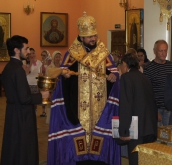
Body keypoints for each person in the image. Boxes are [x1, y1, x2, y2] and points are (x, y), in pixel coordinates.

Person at [47, 12, 120, 165]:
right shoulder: (72, 54)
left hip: (100, 108)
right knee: (79, 145)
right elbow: (62, 74)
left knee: (98, 142)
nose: (93, 39)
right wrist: (65, 75)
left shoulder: (103, 53)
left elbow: (113, 72)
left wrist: (114, 76)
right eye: (89, 37)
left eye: (94, 35)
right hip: (77, 107)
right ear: (81, 38)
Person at [0, 35, 49, 165]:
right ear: (17, 50)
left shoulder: (8, 67)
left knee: (13, 146)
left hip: (12, 112)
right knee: (24, 147)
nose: (28, 52)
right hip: (22, 115)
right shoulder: (18, 70)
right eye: (26, 49)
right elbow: (24, 98)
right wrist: (42, 96)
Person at [119, 53, 157, 165]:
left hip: (135, 128)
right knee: (145, 161)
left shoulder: (126, 78)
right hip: (149, 127)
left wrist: (124, 131)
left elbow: (126, 105)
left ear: (125, 64)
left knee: (135, 160)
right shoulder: (144, 77)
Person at [143, 40, 172, 126]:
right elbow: (147, 92)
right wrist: (154, 111)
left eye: (165, 50)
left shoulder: (171, 66)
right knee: (158, 136)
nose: (164, 53)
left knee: (169, 136)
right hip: (157, 109)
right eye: (161, 51)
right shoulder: (149, 68)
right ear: (155, 51)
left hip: (170, 108)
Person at [23, 48, 42, 112]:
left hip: (36, 85)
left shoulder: (39, 62)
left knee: (35, 103)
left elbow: (41, 74)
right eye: (30, 53)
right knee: (28, 102)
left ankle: (34, 115)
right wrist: (30, 63)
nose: (32, 55)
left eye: (33, 53)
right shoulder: (24, 62)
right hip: (28, 84)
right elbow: (26, 73)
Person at [39, 50, 51, 117]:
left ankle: (49, 111)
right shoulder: (40, 63)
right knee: (43, 96)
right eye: (42, 55)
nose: (43, 56)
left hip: (49, 80)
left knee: (49, 96)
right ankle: (43, 111)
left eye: (44, 55)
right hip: (43, 80)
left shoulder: (50, 62)